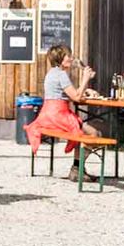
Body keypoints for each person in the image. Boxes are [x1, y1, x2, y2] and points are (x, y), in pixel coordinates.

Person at [25, 45, 101, 177]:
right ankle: (77, 169)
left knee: (90, 133)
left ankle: (77, 169)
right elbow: (76, 97)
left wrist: (85, 90)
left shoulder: (52, 73)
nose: (71, 58)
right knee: (93, 134)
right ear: (60, 58)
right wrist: (85, 79)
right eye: (68, 56)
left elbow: (65, 94)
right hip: (59, 116)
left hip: (47, 115)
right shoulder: (61, 75)